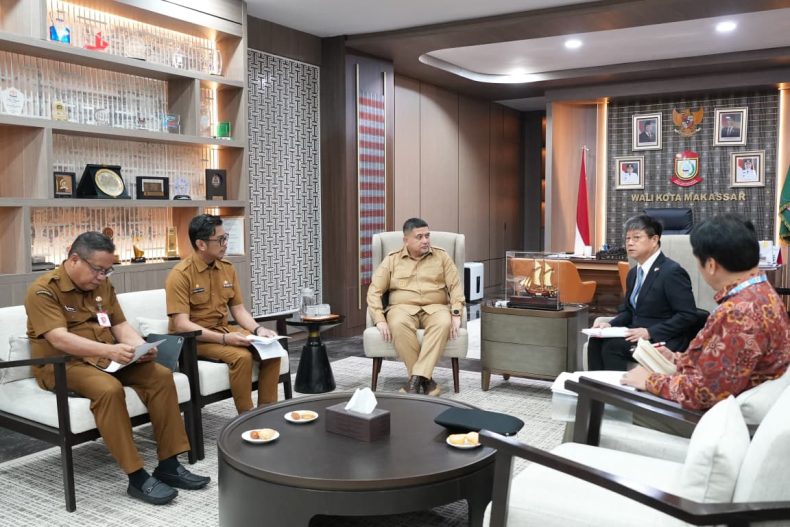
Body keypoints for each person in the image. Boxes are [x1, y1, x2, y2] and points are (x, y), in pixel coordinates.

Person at [25, 232, 209, 505]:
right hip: (63, 364)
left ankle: (169, 464)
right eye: (97, 269)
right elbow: (59, 339)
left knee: (159, 375)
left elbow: (120, 325)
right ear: (74, 259)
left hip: (105, 358)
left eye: (107, 270)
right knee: (108, 389)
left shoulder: (103, 286)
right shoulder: (43, 290)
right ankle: (136, 476)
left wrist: (140, 347)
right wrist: (110, 351)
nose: (102, 276)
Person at [622, 215, 790, 409]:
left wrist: (649, 381)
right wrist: (677, 359)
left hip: (709, 417)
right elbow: (723, 364)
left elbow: (705, 393)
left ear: (711, 265)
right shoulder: (762, 292)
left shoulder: (738, 313)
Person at [166, 214, 281, 414]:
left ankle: (267, 412)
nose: (225, 243)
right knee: (241, 357)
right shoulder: (180, 274)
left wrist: (258, 329)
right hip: (194, 340)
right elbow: (181, 324)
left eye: (225, 237)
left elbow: (238, 309)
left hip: (223, 330)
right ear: (201, 244)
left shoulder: (227, 268)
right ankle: (246, 418)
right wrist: (224, 339)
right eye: (220, 239)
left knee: (271, 348)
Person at [367, 218, 465, 395]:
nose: (425, 240)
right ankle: (426, 380)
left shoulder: (442, 256)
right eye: (419, 237)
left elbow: (456, 287)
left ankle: (414, 381)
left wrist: (456, 313)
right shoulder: (392, 260)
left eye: (427, 235)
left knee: (444, 322)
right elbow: (374, 291)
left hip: (436, 308)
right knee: (396, 323)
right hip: (401, 309)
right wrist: (379, 319)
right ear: (406, 240)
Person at [587, 215, 699, 371]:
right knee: (595, 341)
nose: (630, 243)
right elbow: (629, 311)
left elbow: (688, 315)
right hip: (636, 334)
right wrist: (610, 324)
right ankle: (596, 386)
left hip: (663, 337)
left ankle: (619, 387)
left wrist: (650, 332)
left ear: (654, 240)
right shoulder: (633, 273)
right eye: (628, 239)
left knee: (612, 347)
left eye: (636, 238)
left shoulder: (671, 272)